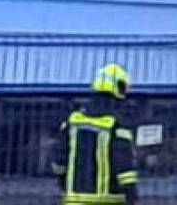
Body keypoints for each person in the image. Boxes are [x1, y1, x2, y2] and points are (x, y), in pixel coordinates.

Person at [57, 62, 142, 205]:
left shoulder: (72, 121)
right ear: (119, 87)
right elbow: (124, 166)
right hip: (108, 200)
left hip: (73, 200)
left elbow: (59, 160)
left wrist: (64, 184)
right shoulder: (116, 125)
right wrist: (131, 195)